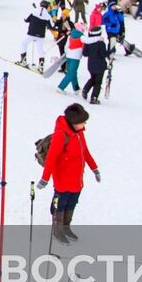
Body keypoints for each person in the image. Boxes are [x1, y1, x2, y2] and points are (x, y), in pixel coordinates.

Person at [36, 103, 100, 244]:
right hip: (63, 180)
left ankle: (66, 227)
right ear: (73, 122)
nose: (84, 125)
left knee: (72, 202)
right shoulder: (61, 135)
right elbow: (51, 158)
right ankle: (57, 230)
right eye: (82, 122)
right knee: (60, 204)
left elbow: (85, 152)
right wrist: (45, 179)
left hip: (77, 180)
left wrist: (94, 168)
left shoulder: (79, 132)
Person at [18, 1, 51, 69]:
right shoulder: (48, 15)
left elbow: (26, 20)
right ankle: (41, 65)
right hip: (41, 35)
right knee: (40, 49)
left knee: (23, 44)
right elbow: (52, 25)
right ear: (47, 7)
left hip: (31, 33)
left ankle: (23, 61)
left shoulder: (34, 11)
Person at [56, 27, 84, 94]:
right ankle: (61, 87)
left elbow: (66, 46)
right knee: (71, 73)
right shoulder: (82, 37)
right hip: (76, 57)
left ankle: (76, 88)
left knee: (73, 72)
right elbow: (89, 41)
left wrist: (66, 53)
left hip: (69, 56)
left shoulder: (70, 36)